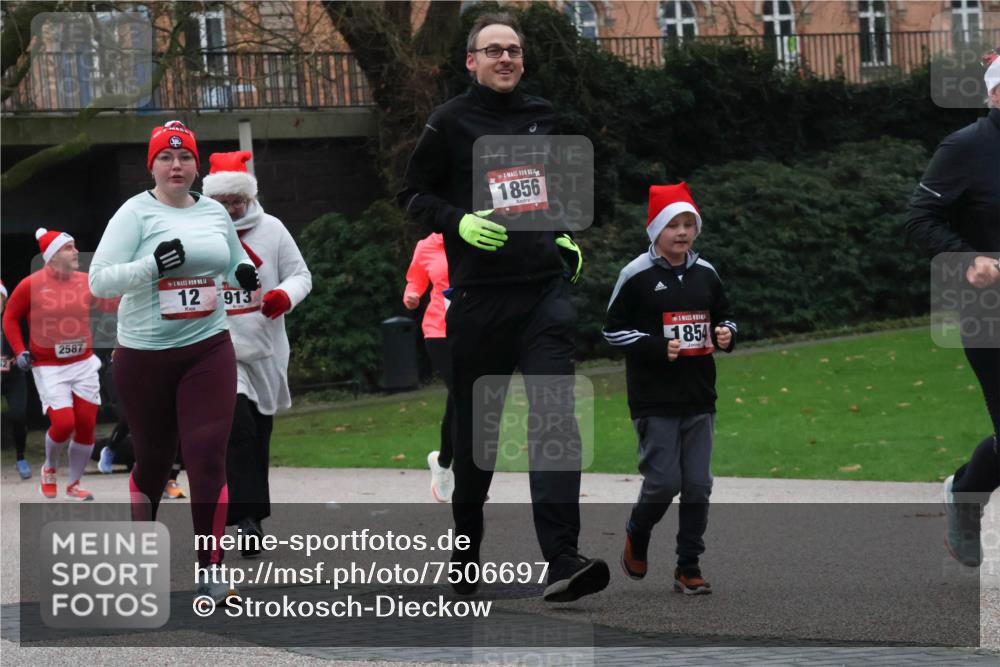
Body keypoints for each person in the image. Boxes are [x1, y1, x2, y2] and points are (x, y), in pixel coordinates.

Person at [397, 12, 609, 603]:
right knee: (475, 438)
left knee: (555, 424)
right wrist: (457, 223)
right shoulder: (449, 121)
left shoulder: (543, 117)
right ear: (471, 61)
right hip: (479, 303)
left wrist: (562, 234)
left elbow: (553, 191)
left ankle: (563, 558)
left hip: (543, 294)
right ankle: (466, 550)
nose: (506, 58)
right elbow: (412, 192)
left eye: (513, 50)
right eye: (493, 51)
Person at [88, 121, 259, 604]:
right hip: (144, 354)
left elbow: (229, 258)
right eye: (166, 157)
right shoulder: (134, 213)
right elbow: (100, 281)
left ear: (196, 164)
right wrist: (151, 267)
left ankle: (211, 568)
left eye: (185, 158)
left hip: (208, 345)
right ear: (153, 165)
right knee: (155, 459)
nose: (177, 165)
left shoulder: (211, 211)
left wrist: (241, 271)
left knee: (207, 454)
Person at [604, 183, 737, 595]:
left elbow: (728, 316)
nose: (682, 232)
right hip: (654, 398)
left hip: (699, 395)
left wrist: (726, 333)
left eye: (689, 224)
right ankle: (637, 532)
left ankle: (687, 566)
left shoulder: (706, 273)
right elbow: (612, 332)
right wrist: (657, 347)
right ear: (656, 230)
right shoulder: (636, 275)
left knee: (698, 484)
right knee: (663, 483)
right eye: (673, 225)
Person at [904, 51, 1000, 567]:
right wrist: (969, 260)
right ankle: (967, 493)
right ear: (995, 94)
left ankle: (966, 489)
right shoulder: (966, 147)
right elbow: (919, 219)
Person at [201, 150, 311, 558]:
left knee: (258, 433)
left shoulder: (273, 229)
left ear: (249, 197)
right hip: (219, 346)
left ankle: (252, 514)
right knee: (238, 425)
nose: (232, 208)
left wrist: (284, 295)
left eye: (238, 200)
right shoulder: (199, 232)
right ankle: (245, 519)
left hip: (265, 346)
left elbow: (301, 275)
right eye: (224, 201)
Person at [2, 229, 119, 500]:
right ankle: (49, 467)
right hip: (49, 366)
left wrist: (134, 290)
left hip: (83, 364)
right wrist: (20, 351)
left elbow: (110, 305)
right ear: (52, 256)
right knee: (64, 423)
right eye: (69, 248)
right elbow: (9, 318)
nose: (76, 252)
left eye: (75, 247)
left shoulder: (85, 281)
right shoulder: (30, 285)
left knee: (87, 423)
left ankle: (74, 484)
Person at [403, 233, 456, 502]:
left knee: (468, 398)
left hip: (476, 329)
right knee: (463, 394)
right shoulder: (426, 245)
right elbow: (415, 279)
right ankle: (462, 471)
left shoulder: (479, 236)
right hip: (439, 330)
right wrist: (412, 295)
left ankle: (445, 463)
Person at [1, 280, 30, 479]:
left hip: (13, 376)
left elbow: (30, 341)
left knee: (18, 414)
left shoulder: (15, 318)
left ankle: (20, 458)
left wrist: (19, 356)